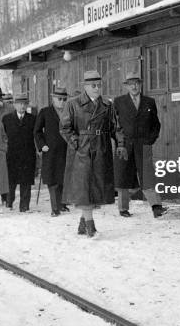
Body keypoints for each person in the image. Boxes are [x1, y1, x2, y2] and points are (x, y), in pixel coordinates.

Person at [60, 70, 125, 237]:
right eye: (93, 85)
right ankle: (90, 225)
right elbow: (65, 128)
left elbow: (115, 127)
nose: (97, 88)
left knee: (94, 187)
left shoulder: (107, 105)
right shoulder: (73, 104)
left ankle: (83, 222)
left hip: (101, 149)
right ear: (85, 87)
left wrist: (121, 144)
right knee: (84, 186)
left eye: (99, 85)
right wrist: (77, 144)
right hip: (82, 150)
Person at [113, 71, 167, 218]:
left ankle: (156, 207)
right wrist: (120, 142)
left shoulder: (149, 102)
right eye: (131, 84)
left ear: (140, 85)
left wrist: (150, 140)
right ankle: (123, 208)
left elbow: (156, 125)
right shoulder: (119, 102)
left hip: (143, 145)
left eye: (136, 83)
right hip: (124, 146)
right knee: (123, 176)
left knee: (148, 175)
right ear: (126, 86)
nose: (134, 86)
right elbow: (114, 125)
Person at [33, 85, 69, 216]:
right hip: (51, 151)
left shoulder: (69, 112)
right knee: (52, 180)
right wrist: (42, 145)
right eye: (59, 99)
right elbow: (37, 131)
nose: (62, 102)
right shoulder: (45, 112)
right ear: (53, 99)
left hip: (66, 151)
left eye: (64, 99)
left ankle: (62, 204)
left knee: (63, 179)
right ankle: (55, 209)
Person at [2, 93, 37, 212]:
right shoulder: (6, 119)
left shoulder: (32, 119)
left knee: (26, 181)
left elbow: (36, 135)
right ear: (15, 105)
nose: (22, 106)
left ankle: (24, 205)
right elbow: (3, 136)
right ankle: (9, 202)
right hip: (12, 154)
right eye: (20, 104)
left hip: (28, 154)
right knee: (11, 180)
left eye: (24, 104)